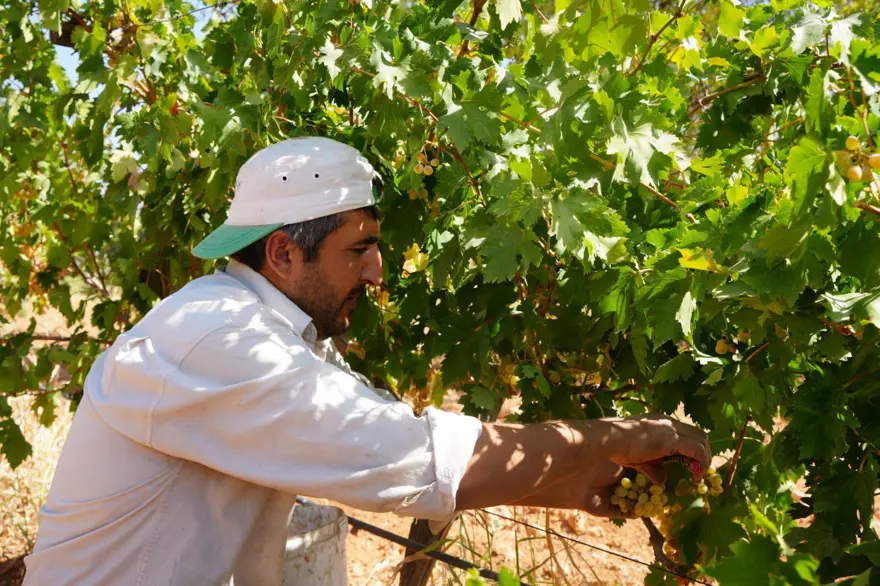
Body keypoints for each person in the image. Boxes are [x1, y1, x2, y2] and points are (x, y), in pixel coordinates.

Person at [23, 137, 710, 585]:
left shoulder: (271, 333)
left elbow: (386, 430)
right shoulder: (216, 341)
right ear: (284, 253)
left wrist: (568, 479)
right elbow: (406, 457)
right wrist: (617, 437)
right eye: (360, 250)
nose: (380, 273)